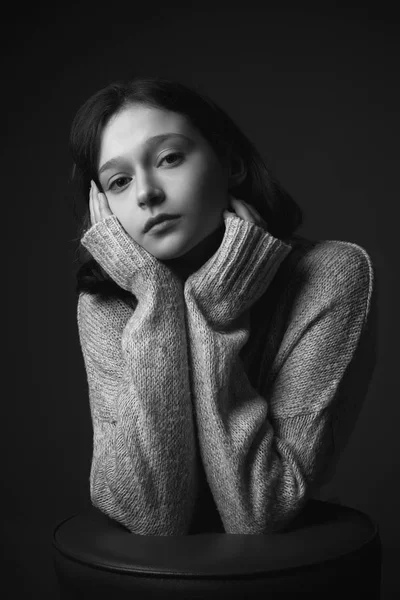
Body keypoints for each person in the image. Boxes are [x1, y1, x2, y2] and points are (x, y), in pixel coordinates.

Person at [70, 75, 378, 536]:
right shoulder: (107, 304)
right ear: (104, 207)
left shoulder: (330, 276)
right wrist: (154, 298)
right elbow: (152, 516)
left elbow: (259, 510)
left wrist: (218, 307)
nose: (146, 193)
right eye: (119, 180)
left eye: (169, 158)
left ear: (230, 163)